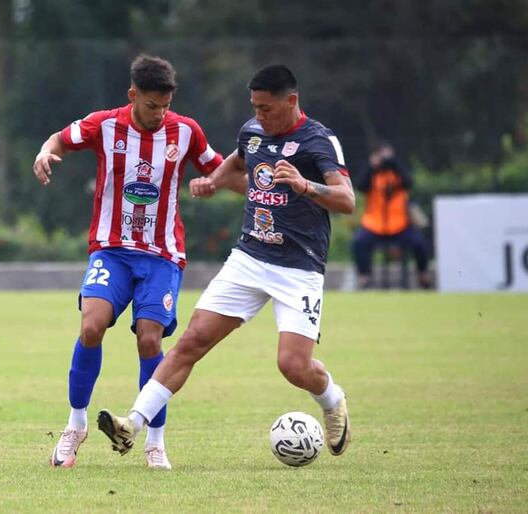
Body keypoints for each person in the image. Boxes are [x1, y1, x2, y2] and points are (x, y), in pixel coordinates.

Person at [96, 64, 354, 462]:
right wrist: (212, 181)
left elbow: (346, 199)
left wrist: (305, 185)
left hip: (298, 267)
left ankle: (333, 399)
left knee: (292, 365)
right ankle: (132, 422)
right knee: (190, 343)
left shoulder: (317, 140)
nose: (259, 115)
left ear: (291, 101)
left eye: (266, 108)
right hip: (249, 258)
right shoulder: (252, 132)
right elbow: (236, 165)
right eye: (254, 107)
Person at [32, 55, 229, 470]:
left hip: (161, 255)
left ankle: (154, 442)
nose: (159, 114)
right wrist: (45, 154)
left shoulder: (186, 131)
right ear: (133, 95)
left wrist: (231, 185)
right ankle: (76, 424)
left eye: (165, 105)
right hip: (111, 249)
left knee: (150, 340)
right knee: (91, 326)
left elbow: (223, 169)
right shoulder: (105, 125)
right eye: (151, 105)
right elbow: (59, 139)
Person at [351, 142, 431, 289]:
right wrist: (371, 165)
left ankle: (423, 274)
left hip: (399, 225)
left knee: (420, 244)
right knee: (358, 242)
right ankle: (364, 276)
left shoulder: (399, 173)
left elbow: (409, 183)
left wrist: (395, 163)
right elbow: (361, 186)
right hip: (374, 225)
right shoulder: (373, 173)